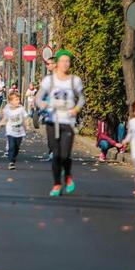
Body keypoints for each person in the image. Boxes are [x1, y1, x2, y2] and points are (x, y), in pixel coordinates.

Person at [35, 49, 85, 197]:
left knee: (65, 155)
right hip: (52, 121)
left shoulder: (74, 80)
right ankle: (57, 184)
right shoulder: (49, 81)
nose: (65, 64)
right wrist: (42, 104)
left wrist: (76, 109)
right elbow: (38, 97)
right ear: (57, 63)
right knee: (56, 155)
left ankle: (68, 175)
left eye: (67, 61)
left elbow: (81, 98)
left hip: (68, 121)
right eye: (62, 61)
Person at [0, 92, 27, 170]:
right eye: (16, 100)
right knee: (12, 146)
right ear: (11, 101)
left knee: (17, 148)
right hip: (10, 132)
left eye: (19, 99)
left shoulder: (21, 109)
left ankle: (13, 158)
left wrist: (26, 127)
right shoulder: (8, 110)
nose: (18, 101)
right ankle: (11, 162)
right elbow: (5, 119)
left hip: (20, 132)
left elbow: (24, 119)